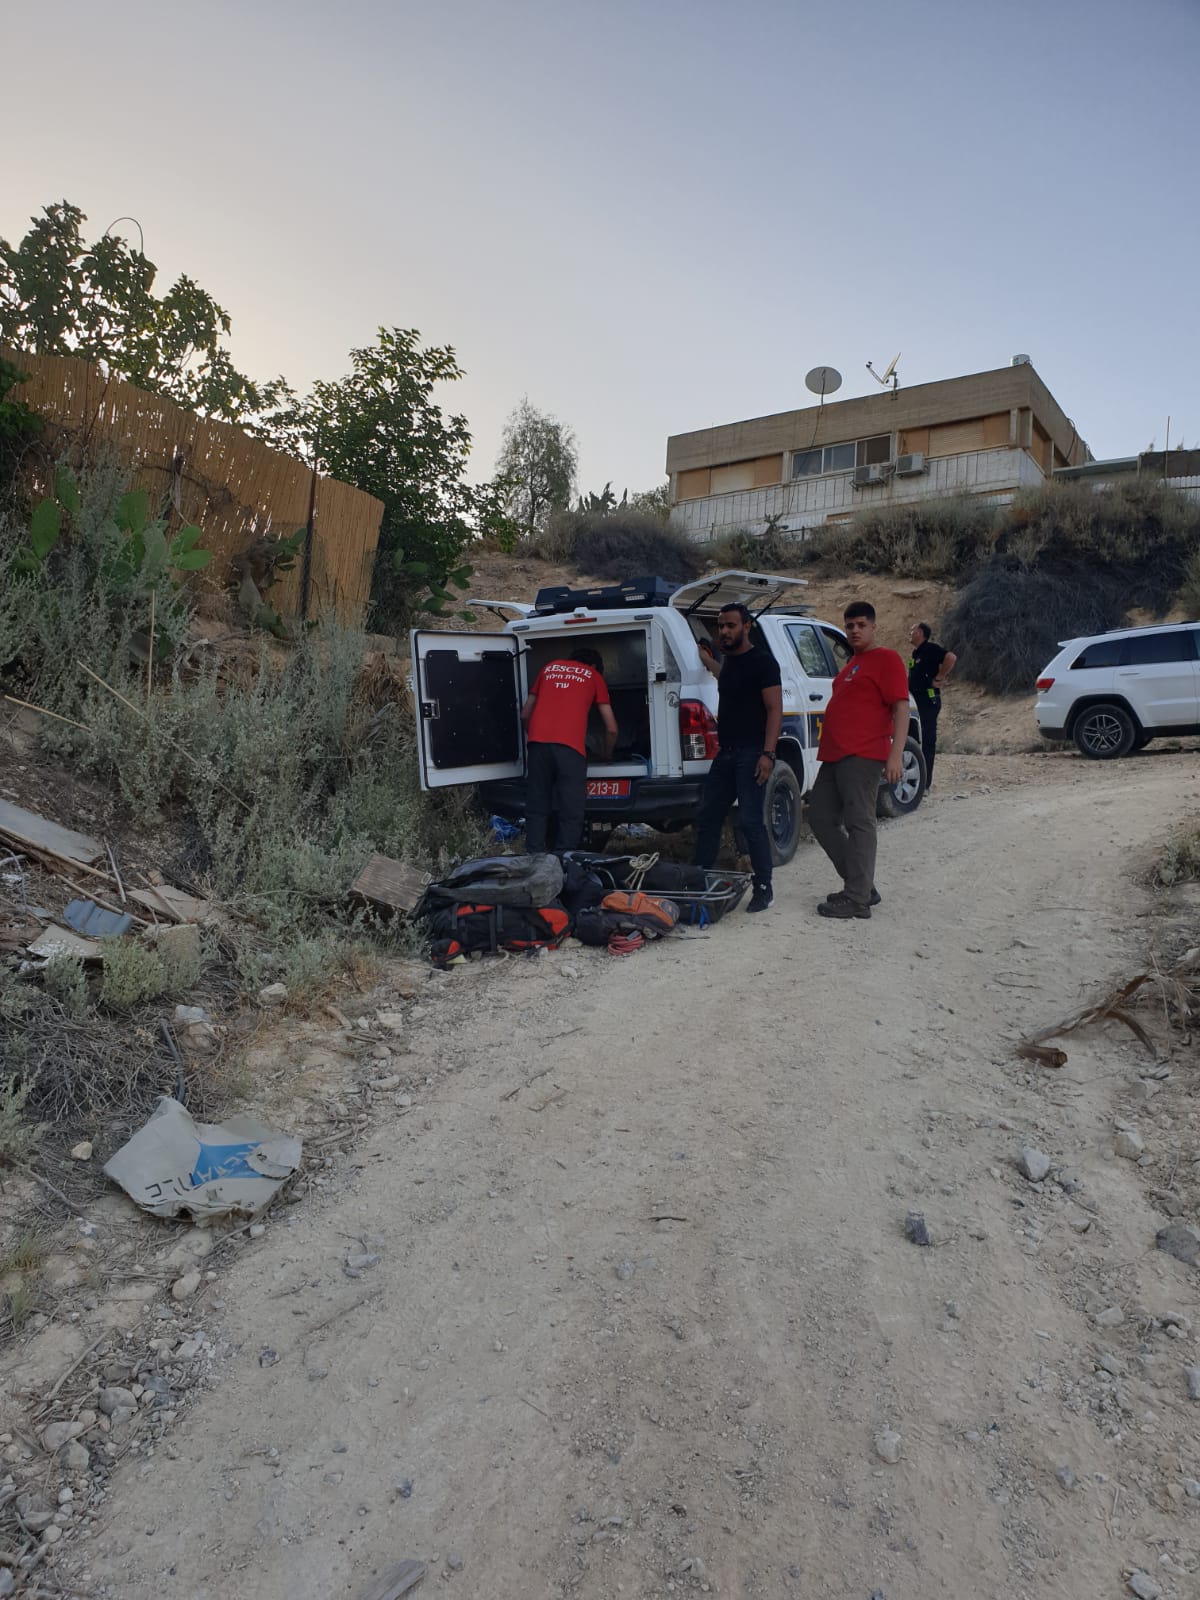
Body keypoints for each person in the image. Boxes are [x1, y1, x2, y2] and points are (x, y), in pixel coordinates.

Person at [809, 601, 909, 920]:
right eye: (849, 625)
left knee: (859, 822)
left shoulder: (886, 659)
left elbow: (901, 708)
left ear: (873, 627)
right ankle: (862, 884)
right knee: (821, 818)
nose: (854, 630)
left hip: (864, 754)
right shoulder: (852, 664)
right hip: (835, 755)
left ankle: (857, 898)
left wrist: (896, 754)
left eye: (861, 625)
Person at [692, 602, 783, 914]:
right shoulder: (729, 662)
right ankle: (698, 879)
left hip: (752, 753)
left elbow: (774, 710)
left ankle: (763, 888)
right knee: (707, 816)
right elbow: (725, 680)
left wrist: (768, 754)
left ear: (746, 626)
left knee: (750, 821)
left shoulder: (764, 663)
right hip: (726, 753)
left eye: (731, 625)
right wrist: (707, 660)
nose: (724, 631)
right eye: (721, 626)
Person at [521, 648, 618, 853]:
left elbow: (524, 714)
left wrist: (535, 736)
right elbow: (611, 728)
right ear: (594, 666)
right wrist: (606, 754)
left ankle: (533, 859)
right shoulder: (593, 676)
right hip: (570, 749)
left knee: (537, 807)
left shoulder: (548, 668)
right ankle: (565, 860)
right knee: (571, 810)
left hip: (537, 745)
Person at [907, 622, 956, 789]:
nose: (910, 633)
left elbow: (951, 657)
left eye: (912, 630)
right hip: (916, 701)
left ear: (920, 632)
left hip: (928, 701)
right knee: (915, 740)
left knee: (927, 740)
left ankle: (925, 783)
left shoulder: (930, 649)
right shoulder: (917, 653)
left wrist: (940, 677)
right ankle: (916, 778)